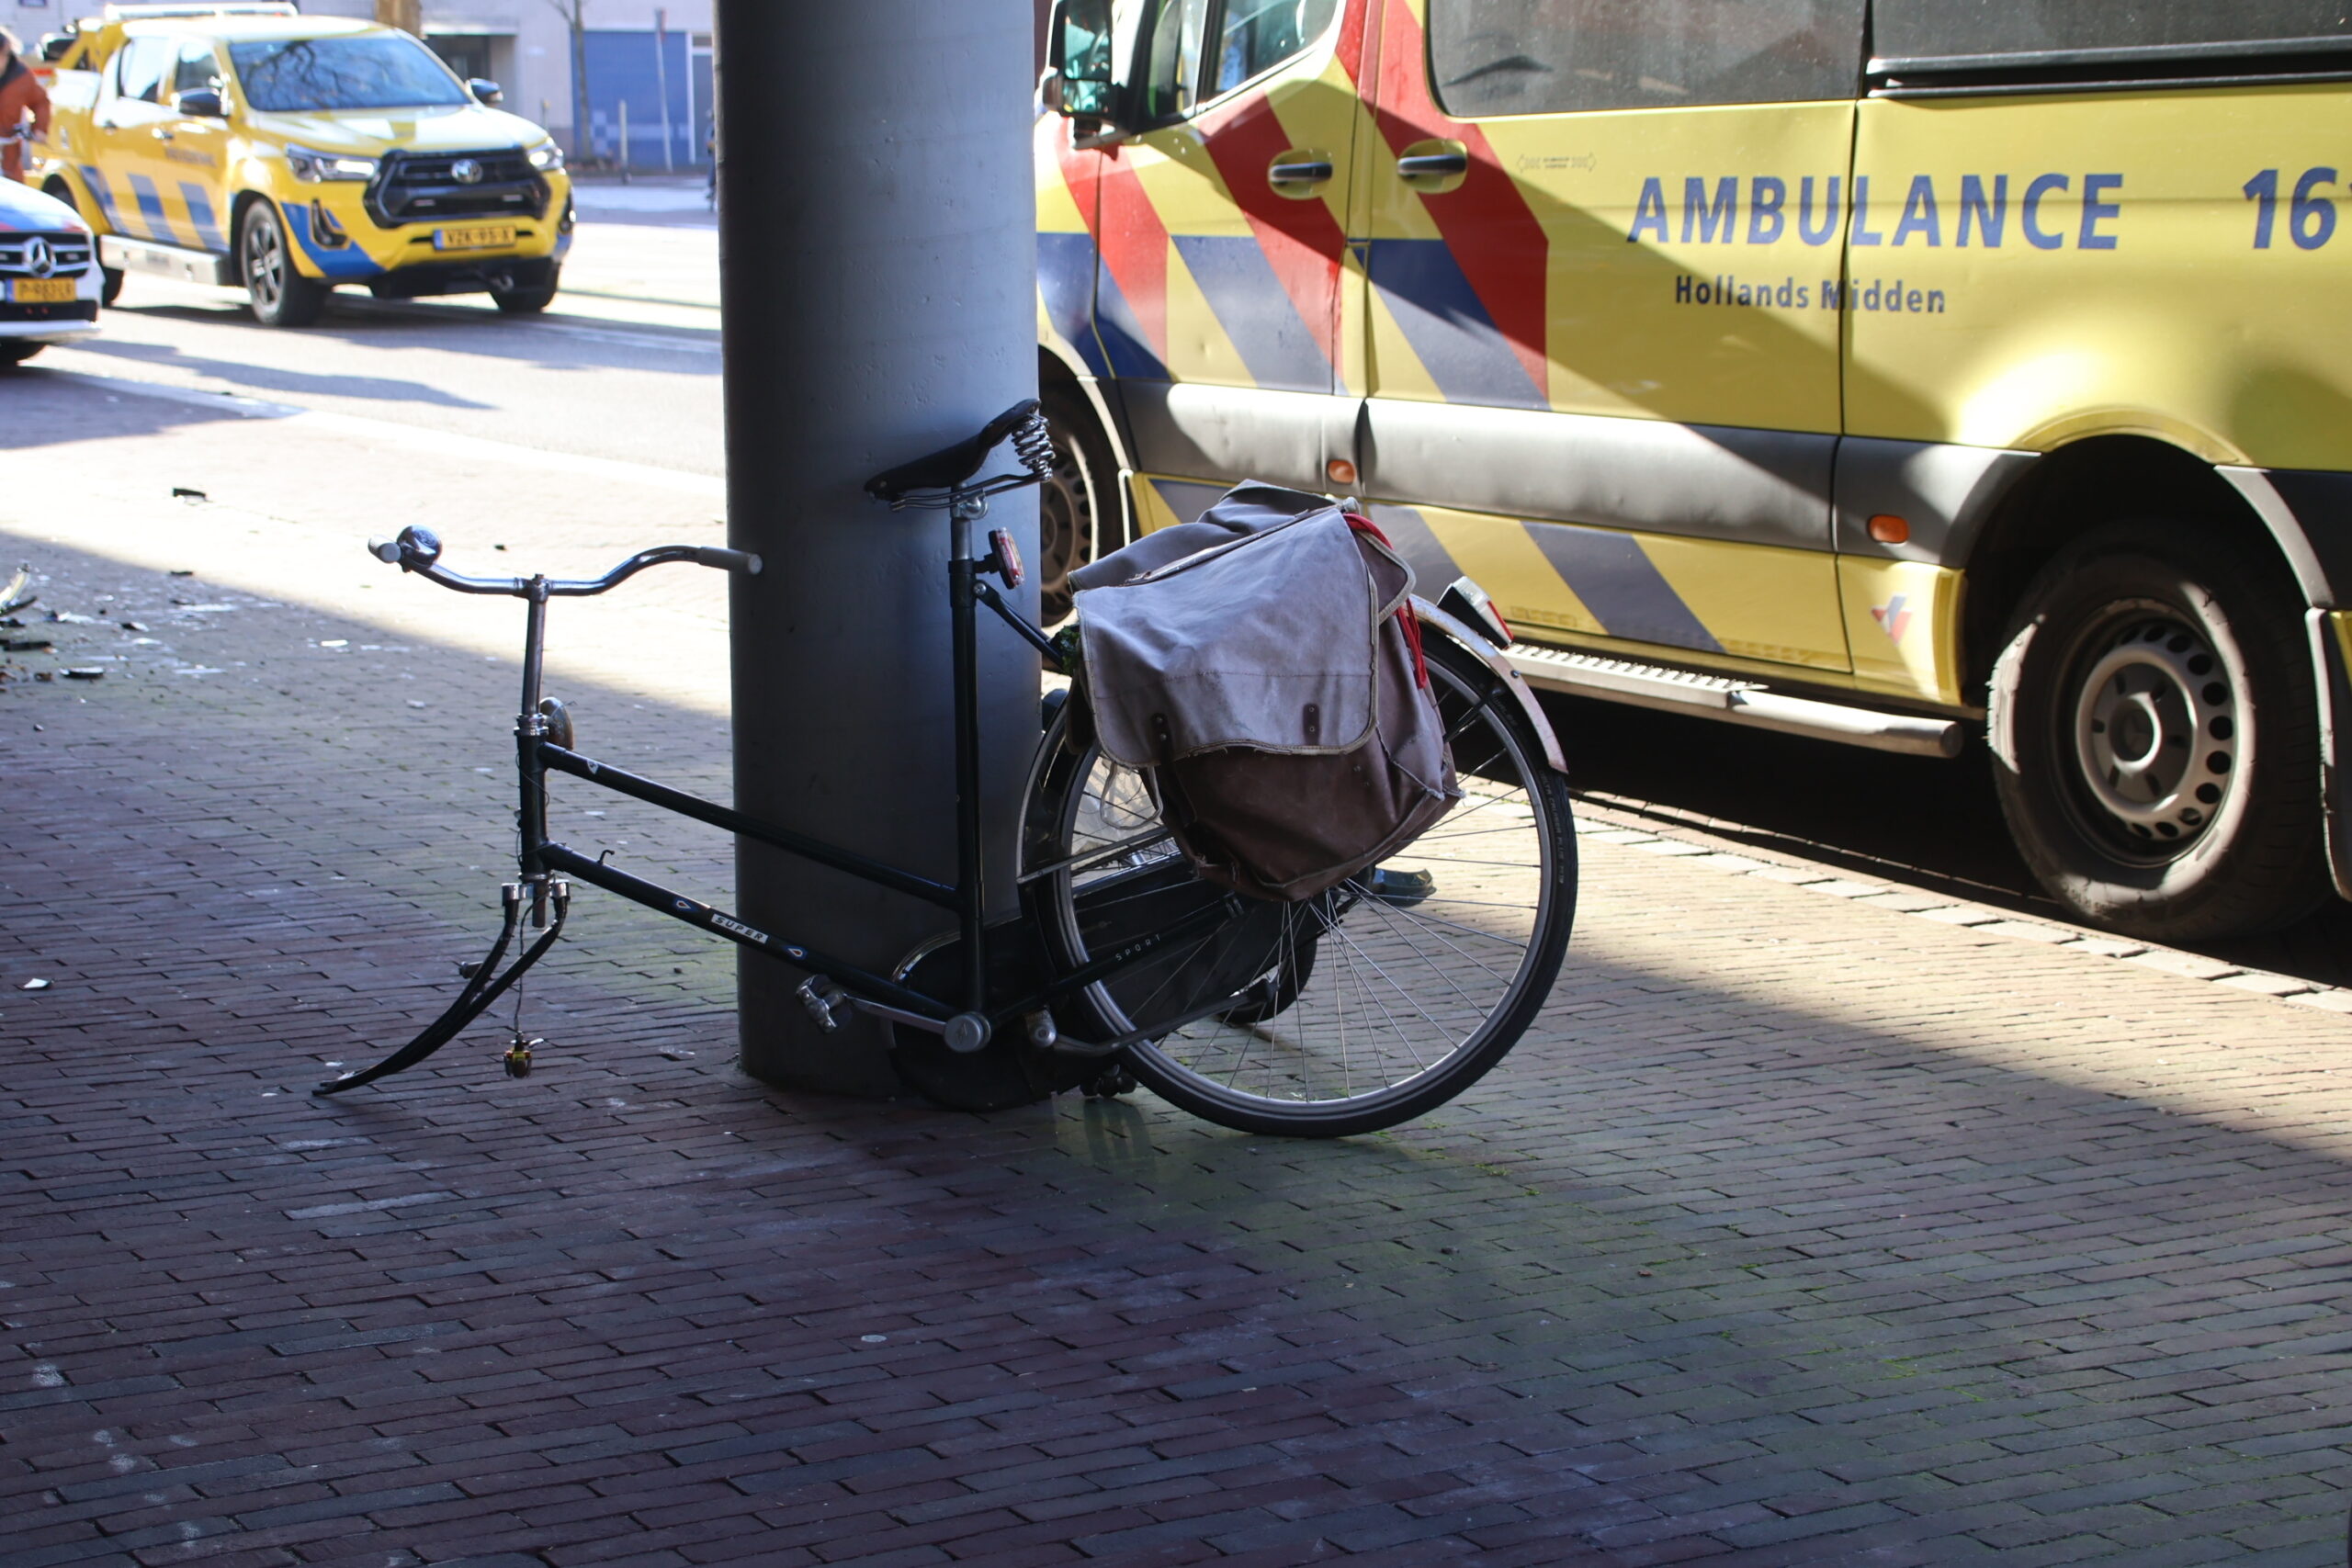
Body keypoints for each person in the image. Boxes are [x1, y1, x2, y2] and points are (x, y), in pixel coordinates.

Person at [0, 28, 51, 186]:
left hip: (9, 155)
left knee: (13, 200)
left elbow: (41, 102)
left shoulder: (21, 77)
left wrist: (40, 129)